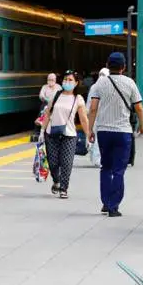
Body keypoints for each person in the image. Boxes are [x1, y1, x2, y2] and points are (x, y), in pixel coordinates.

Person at [88, 52, 143, 217]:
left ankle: (105, 203)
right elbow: (139, 107)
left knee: (105, 167)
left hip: (104, 131)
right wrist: (142, 126)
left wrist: (90, 129)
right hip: (123, 132)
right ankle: (114, 207)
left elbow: (93, 108)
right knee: (119, 170)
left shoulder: (100, 84)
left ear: (107, 65)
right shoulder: (130, 83)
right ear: (124, 67)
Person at [40, 70, 91, 199]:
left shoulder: (78, 99)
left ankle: (64, 188)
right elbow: (47, 114)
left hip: (69, 134)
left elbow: (84, 119)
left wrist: (88, 136)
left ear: (76, 83)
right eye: (65, 79)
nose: (66, 82)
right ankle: (56, 180)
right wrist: (42, 131)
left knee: (66, 162)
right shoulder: (55, 95)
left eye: (70, 80)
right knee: (53, 162)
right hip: (51, 133)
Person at [86, 68, 110, 167]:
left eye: (103, 75)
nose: (101, 77)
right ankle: (97, 159)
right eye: (101, 74)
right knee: (96, 138)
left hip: (101, 116)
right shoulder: (98, 87)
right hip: (98, 116)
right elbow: (90, 104)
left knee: (97, 138)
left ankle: (96, 158)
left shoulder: (95, 87)